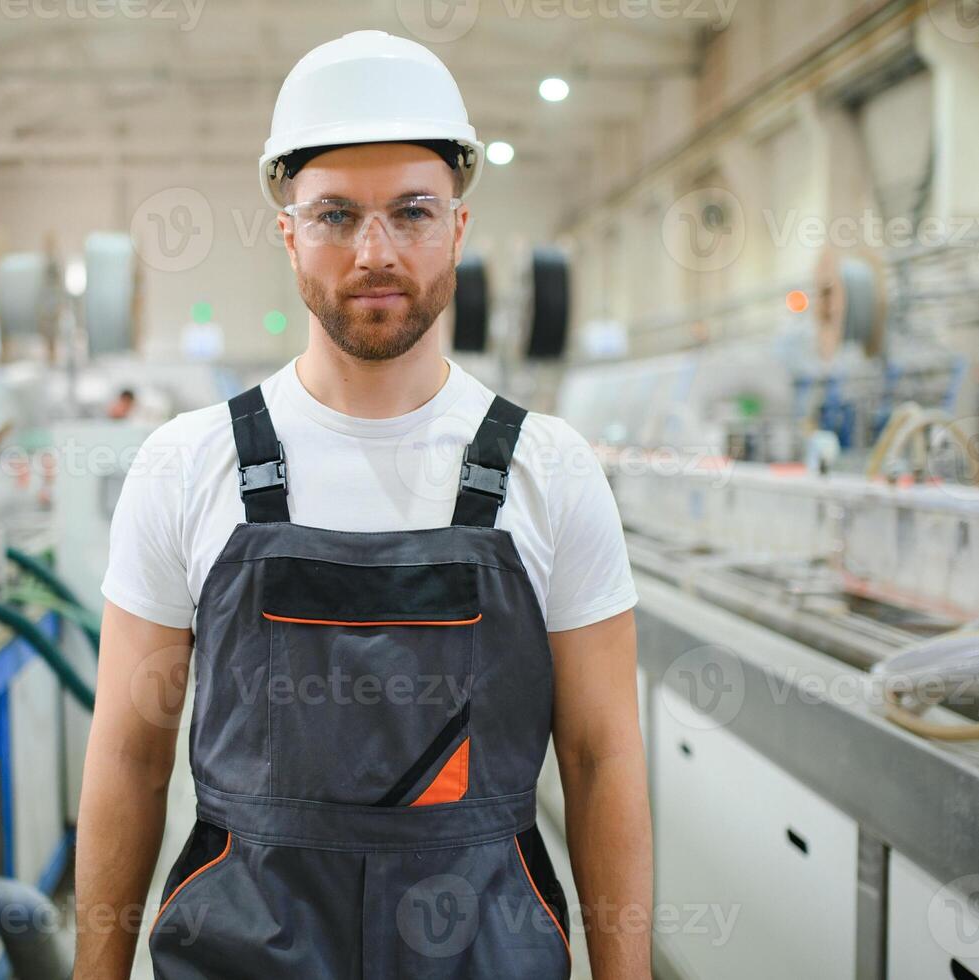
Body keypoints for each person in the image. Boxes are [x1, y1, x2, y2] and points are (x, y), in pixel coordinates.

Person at [75, 30, 651, 979]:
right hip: (239, 954)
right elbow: (130, 755)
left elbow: (601, 760)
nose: (374, 252)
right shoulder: (185, 464)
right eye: (335, 214)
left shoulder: (552, 470)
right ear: (287, 230)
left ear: (458, 231)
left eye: (412, 213)